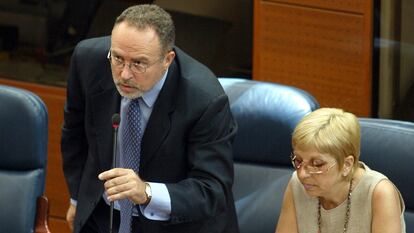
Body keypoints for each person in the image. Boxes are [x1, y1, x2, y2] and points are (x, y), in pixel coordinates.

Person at [61, 4, 239, 233]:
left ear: (167, 59)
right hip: (103, 215)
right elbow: (74, 136)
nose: (125, 74)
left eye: (138, 63)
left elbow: (211, 190)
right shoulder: (88, 61)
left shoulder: (204, 100)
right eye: (117, 58)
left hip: (176, 224)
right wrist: (77, 199)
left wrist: (146, 192)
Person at [275, 108, 406, 233]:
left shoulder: (379, 193)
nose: (302, 174)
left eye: (317, 164)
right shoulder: (297, 184)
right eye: (298, 160)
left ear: (346, 165)